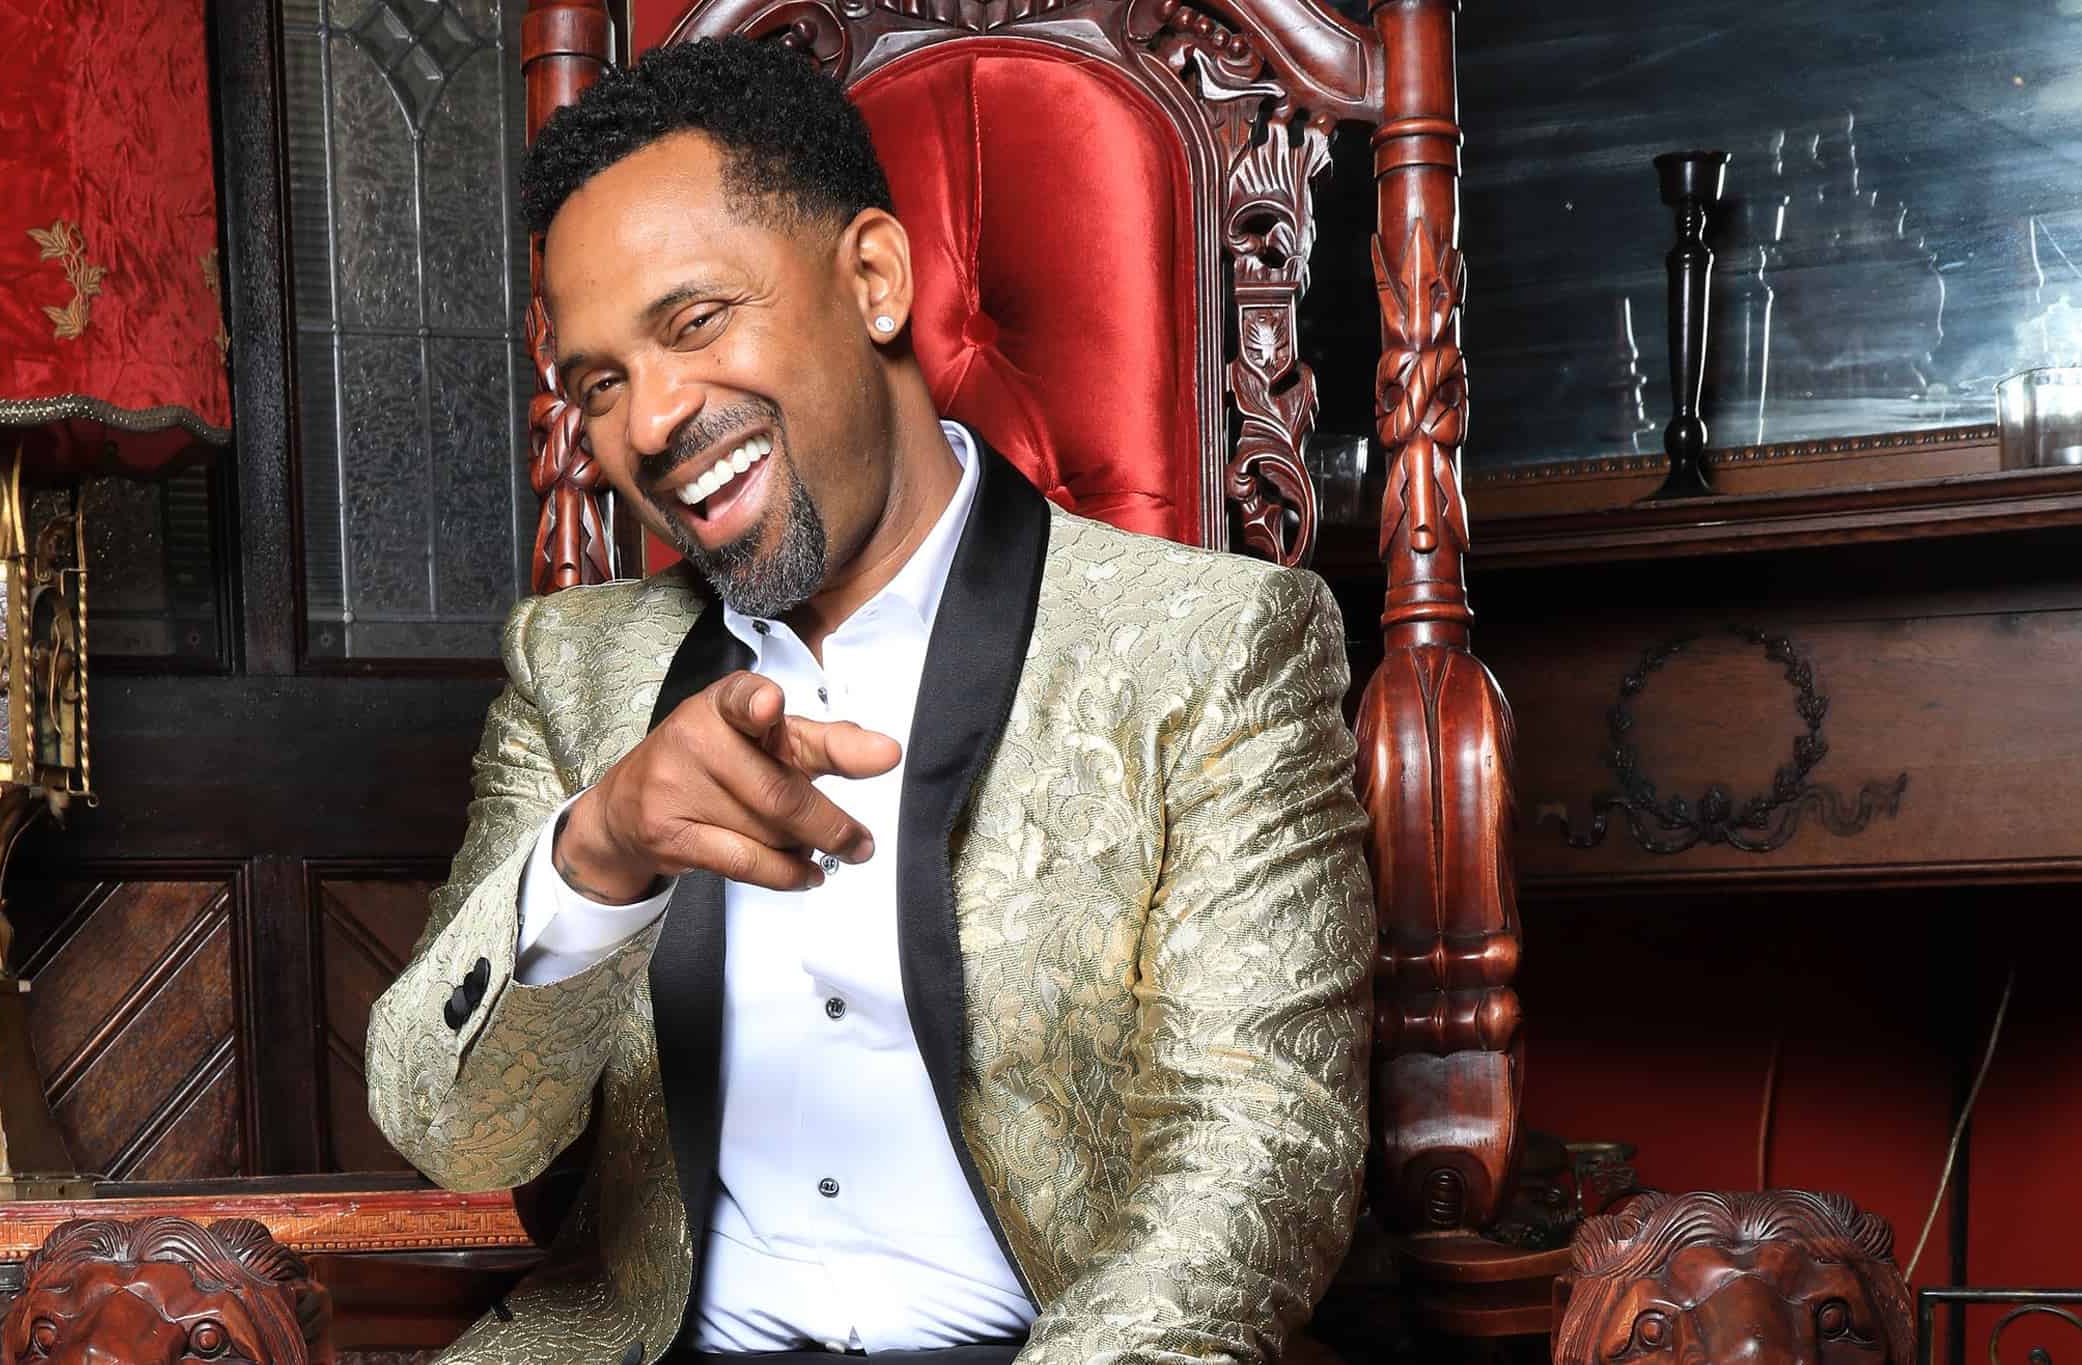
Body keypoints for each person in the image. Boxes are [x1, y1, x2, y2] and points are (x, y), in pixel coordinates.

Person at [366, 36, 1373, 1365]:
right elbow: (449, 1131)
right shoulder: (576, 669)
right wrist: (597, 855)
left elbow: (1260, 1151)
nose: (649, 421)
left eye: (695, 322)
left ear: (876, 280)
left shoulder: (1211, 648)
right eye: (599, 384)